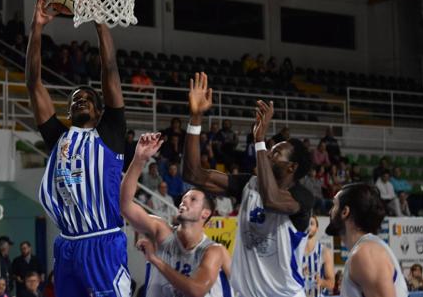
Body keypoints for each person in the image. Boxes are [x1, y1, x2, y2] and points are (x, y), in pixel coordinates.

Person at [26, 0, 129, 297]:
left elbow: (109, 68)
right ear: (68, 113)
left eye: (87, 98)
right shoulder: (60, 137)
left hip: (104, 241)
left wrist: (99, 20)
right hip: (67, 244)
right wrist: (37, 29)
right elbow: (34, 83)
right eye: (74, 101)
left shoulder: (109, 132)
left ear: (99, 111)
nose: (80, 100)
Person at [182, 72, 313, 297]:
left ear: (291, 167)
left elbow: (271, 198)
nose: (268, 155)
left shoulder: (300, 197)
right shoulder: (248, 185)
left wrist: (260, 141)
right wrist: (195, 119)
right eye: (269, 151)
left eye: (276, 154)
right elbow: (193, 174)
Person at [120, 132, 232, 297]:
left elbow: (196, 290)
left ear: (205, 213)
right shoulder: (162, 231)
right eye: (184, 198)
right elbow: (125, 205)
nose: (184, 201)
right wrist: (139, 159)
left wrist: (155, 259)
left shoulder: (214, 251)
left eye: (193, 199)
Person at [325, 183, 408, 297]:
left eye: (334, 205)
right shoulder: (365, 249)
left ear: (345, 212)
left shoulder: (366, 253)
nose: (330, 212)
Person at [301, 215, 334, 297]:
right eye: (306, 224)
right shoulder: (295, 251)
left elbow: (331, 284)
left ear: (317, 228)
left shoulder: (324, 251)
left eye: (311, 223)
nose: (308, 226)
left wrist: (321, 282)